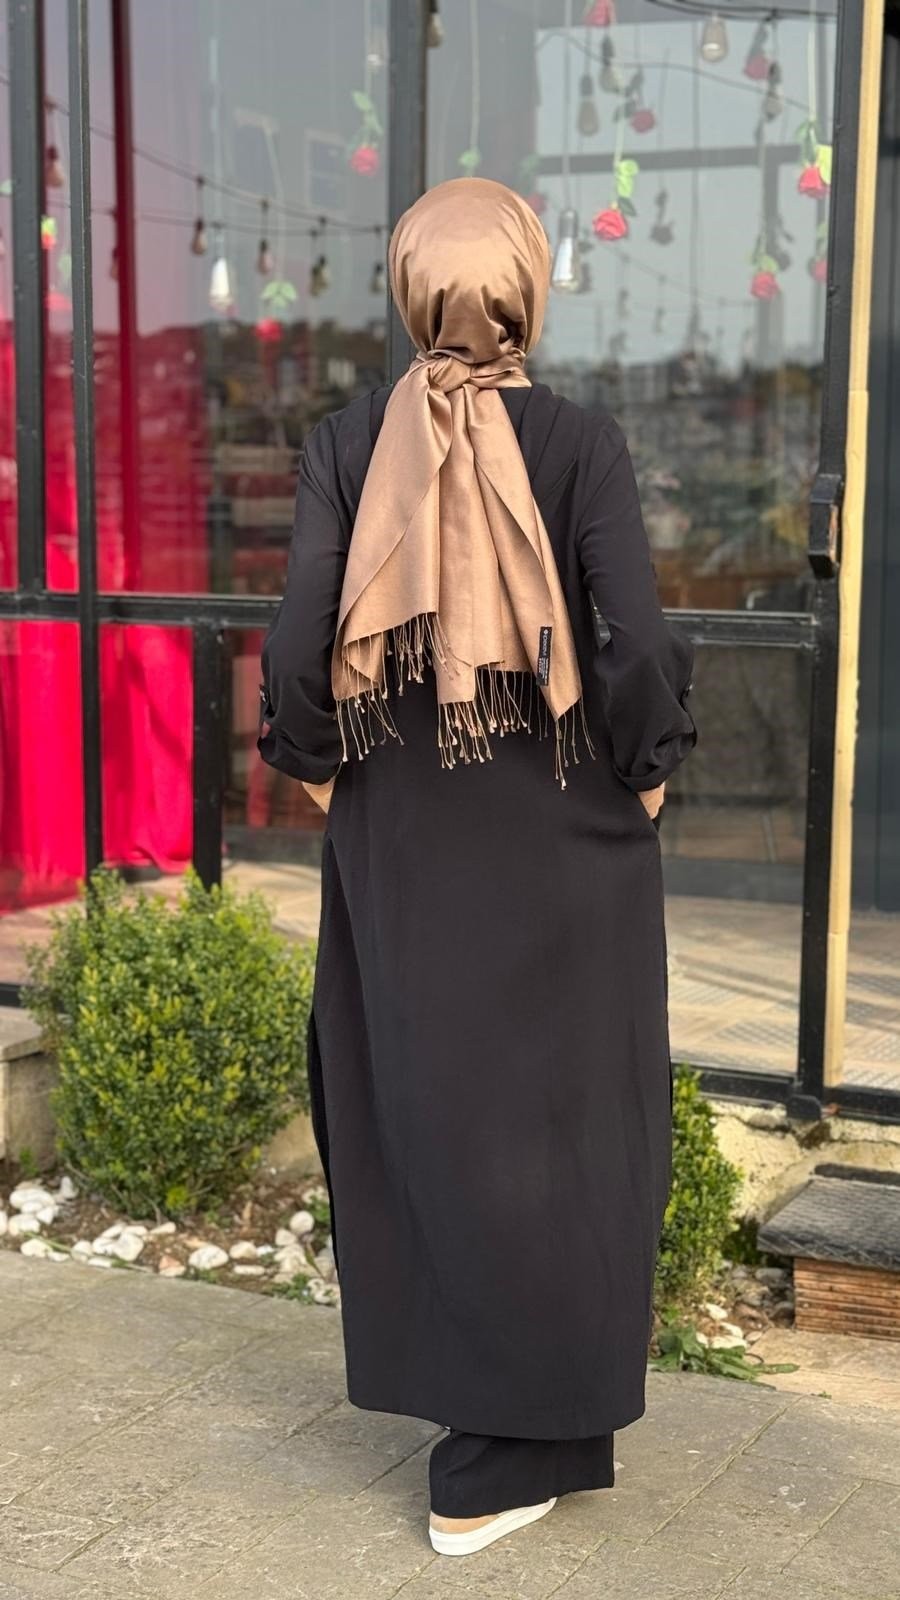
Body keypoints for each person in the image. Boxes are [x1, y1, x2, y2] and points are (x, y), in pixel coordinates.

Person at [258, 176, 697, 1558]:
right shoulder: (581, 443)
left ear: (410, 288)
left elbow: (299, 641)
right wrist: (650, 764)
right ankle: (506, 1453)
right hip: (568, 835)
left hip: (404, 837)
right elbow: (635, 640)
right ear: (524, 289)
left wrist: (320, 764)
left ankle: (500, 1430)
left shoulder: (346, 443)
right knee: (568, 1127)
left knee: (427, 1109)